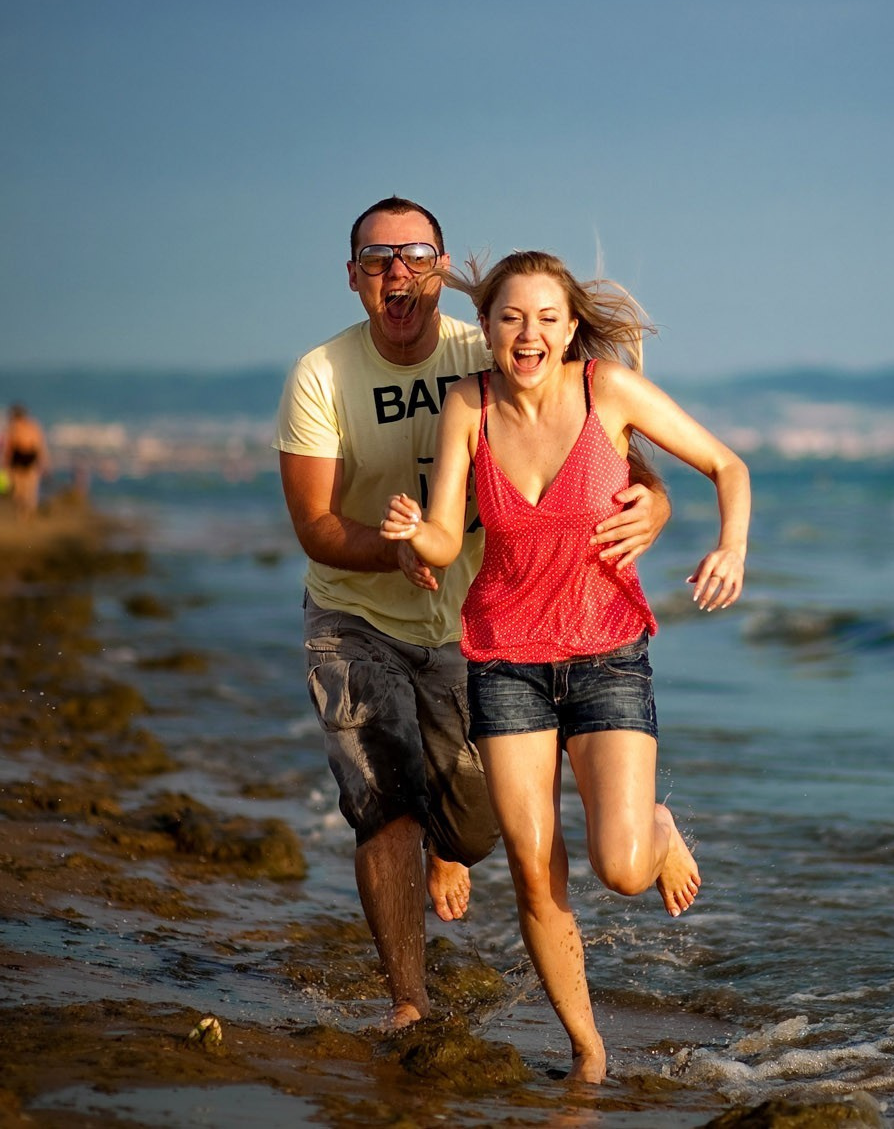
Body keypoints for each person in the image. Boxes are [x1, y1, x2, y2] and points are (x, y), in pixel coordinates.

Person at [275, 198, 670, 1032]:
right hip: (357, 614)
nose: (397, 273)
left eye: (415, 255)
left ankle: (447, 843)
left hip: (474, 630)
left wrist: (659, 505)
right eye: (377, 260)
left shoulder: (491, 348)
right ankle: (408, 1002)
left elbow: (612, 453)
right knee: (382, 800)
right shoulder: (322, 375)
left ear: (443, 270)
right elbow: (312, 524)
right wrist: (402, 550)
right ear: (353, 278)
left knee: (478, 827)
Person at [380, 250, 750, 1085]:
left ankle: (656, 827)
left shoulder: (605, 392)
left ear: (571, 327)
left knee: (620, 867)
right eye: (512, 317)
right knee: (533, 865)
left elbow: (728, 465)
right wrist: (413, 536)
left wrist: (730, 545)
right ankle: (587, 1049)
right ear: (488, 327)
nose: (528, 334)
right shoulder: (466, 404)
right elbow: (447, 535)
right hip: (505, 659)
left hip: (607, 651)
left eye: (547, 318)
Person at [1, 404, 46, 522]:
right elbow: (8, 448)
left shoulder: (31, 427)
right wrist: (4, 464)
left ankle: (27, 512)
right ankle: (22, 514)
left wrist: (43, 462)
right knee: (19, 490)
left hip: (29, 458)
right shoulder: (14, 428)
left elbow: (39, 445)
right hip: (18, 459)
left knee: (29, 488)